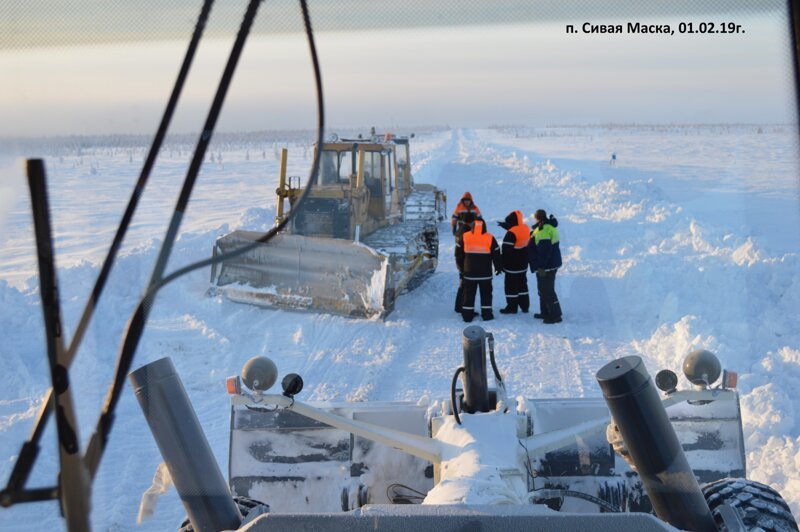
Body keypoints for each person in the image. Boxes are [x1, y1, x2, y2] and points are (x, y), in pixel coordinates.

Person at [456, 220, 502, 322]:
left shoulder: (465, 236)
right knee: (486, 294)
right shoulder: (490, 237)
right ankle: (487, 315)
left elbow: (458, 254)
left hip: (469, 273)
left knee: (468, 294)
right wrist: (498, 267)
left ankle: (467, 316)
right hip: (485, 274)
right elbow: (496, 254)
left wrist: (461, 268)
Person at [528, 209, 562, 323]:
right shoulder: (548, 227)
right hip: (550, 264)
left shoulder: (543, 230)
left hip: (546, 266)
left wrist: (541, 266)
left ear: (537, 218)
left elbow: (544, 250)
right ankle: (545, 312)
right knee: (543, 290)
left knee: (547, 290)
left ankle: (555, 315)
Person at [497, 210, 531, 314]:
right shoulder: (525, 228)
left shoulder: (510, 234)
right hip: (523, 264)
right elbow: (517, 232)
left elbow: (506, 251)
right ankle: (525, 306)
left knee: (511, 286)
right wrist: (506, 226)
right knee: (522, 285)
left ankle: (512, 307)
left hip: (512, 266)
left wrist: (501, 264)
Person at [453, 211, 477, 313]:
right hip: (464, 262)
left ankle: (459, 306)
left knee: (462, 284)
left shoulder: (460, 230)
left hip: (460, 262)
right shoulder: (467, 232)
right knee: (464, 286)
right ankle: (460, 307)